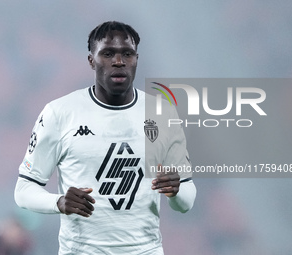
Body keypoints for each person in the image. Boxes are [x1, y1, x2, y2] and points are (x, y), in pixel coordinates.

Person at [14, 21, 196, 255]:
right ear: (91, 60)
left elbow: (186, 201)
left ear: (136, 59)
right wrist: (58, 202)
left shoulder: (163, 114)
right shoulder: (59, 113)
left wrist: (176, 190)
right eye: (108, 53)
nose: (118, 61)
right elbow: (23, 189)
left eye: (127, 54)